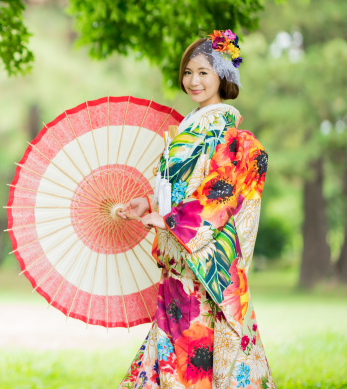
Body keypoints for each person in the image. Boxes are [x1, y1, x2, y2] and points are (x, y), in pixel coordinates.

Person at [116, 30, 274, 388]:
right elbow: (174, 188)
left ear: (222, 76)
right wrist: (149, 203)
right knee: (178, 341)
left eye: (203, 72)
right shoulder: (188, 128)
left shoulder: (223, 132)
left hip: (202, 260)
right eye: (188, 72)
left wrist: (171, 220)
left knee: (194, 346)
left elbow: (221, 193)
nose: (193, 81)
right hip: (179, 258)